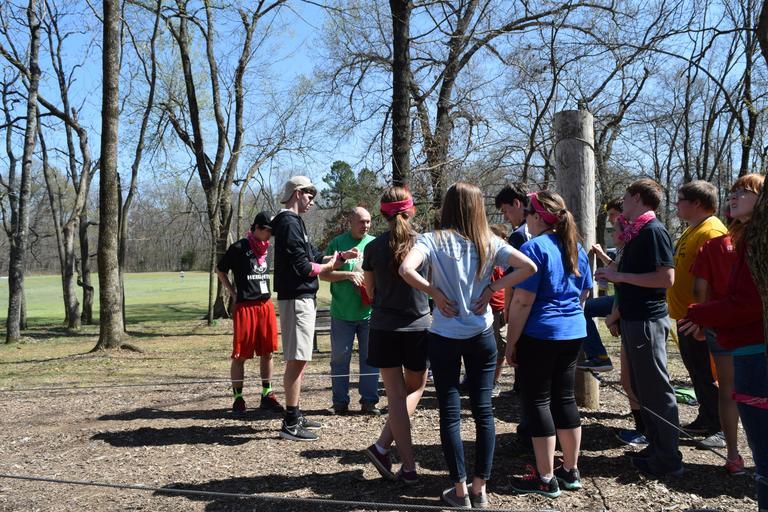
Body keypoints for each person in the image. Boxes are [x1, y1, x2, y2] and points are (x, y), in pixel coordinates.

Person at [400, 182, 537, 509]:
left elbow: (406, 269)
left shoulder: (431, 240)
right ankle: (480, 488)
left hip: (444, 335)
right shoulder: (489, 241)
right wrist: (492, 289)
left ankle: (460, 491)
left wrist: (433, 292)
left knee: (450, 413)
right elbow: (529, 267)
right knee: (483, 411)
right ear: (478, 208)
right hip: (481, 334)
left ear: (447, 207)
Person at [682, 173, 766, 508]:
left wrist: (699, 315)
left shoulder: (747, 242)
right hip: (737, 339)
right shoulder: (739, 239)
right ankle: (734, 454)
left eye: (745, 191)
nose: (734, 195)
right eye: (733, 190)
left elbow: (747, 301)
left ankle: (734, 456)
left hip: (753, 347)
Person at [505, 191, 592, 498]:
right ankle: (570, 470)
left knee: (538, 401)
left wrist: (511, 343)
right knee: (564, 399)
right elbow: (584, 293)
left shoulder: (533, 248)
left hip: (541, 334)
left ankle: (545, 477)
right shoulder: (575, 246)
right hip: (573, 332)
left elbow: (522, 302)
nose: (525, 218)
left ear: (537, 217)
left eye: (528, 212)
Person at [595, 178, 682, 478]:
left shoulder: (653, 231)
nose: (621, 204)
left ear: (636, 197)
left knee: (656, 390)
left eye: (625, 197)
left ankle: (669, 458)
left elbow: (666, 278)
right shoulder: (637, 232)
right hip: (634, 319)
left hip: (647, 320)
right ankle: (656, 448)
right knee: (644, 389)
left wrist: (620, 278)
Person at [272, 176, 358, 442]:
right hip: (296, 299)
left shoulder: (295, 222)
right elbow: (305, 267)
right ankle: (290, 423)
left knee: (301, 358)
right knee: (297, 358)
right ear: (298, 193)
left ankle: (295, 414)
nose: (312, 202)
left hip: (303, 298)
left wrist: (340, 257)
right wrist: (330, 267)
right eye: (310, 196)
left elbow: (313, 255)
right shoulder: (288, 222)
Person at [362, 186, 431, 485]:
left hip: (383, 328)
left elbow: (369, 291)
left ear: (382, 214)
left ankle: (397, 459)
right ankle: (386, 452)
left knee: (396, 397)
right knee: (414, 390)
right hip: (418, 328)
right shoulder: (425, 244)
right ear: (411, 210)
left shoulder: (373, 247)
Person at [667, 180, 727, 443]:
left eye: (680, 199)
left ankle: (720, 428)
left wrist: (705, 318)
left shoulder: (712, 231)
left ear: (697, 203)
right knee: (698, 372)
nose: (676, 204)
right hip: (687, 317)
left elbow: (719, 281)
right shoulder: (693, 229)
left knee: (710, 374)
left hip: (702, 321)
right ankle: (707, 418)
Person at [215, 211, 283, 415]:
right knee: (241, 354)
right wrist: (233, 293)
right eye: (268, 231)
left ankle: (267, 394)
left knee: (268, 352)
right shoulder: (239, 247)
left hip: (265, 305)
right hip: (246, 306)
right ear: (258, 228)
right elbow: (220, 270)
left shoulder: (267, 248)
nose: (270, 236)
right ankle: (238, 397)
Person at [690, 225, 744, 474]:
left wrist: (702, 320)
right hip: (754, 325)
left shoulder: (713, 245)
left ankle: (733, 455)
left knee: (728, 389)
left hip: (722, 323)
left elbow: (699, 289)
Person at [320, 207, 380, 415]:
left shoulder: (374, 243)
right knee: (339, 359)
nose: (366, 225)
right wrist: (348, 275)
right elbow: (323, 275)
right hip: (342, 313)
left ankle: (369, 402)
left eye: (368, 221)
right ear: (351, 222)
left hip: (369, 313)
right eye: (361, 221)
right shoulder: (337, 243)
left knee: (371, 359)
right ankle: (340, 402)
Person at [578, 197, 624, 372]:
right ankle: (599, 357)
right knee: (585, 308)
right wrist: (602, 257)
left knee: (584, 309)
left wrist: (614, 316)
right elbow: (619, 270)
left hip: (629, 301)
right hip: (620, 298)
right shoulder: (621, 241)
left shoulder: (630, 239)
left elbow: (626, 278)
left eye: (613, 214)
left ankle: (598, 357)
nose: (610, 219)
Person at [489, 224, 509, 398]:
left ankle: (494, 381)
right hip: (485, 309)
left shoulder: (507, 259)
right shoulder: (485, 256)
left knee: (500, 347)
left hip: (500, 309)